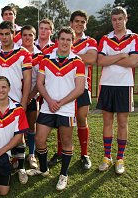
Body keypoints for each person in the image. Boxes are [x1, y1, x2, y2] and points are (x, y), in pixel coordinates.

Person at [28, 27, 85, 191]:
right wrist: (50, 100)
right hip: (47, 106)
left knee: (67, 142)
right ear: (57, 40)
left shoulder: (77, 62)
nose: (65, 42)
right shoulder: (46, 59)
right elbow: (39, 83)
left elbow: (79, 89)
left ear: (72, 42)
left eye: (69, 39)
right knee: (39, 139)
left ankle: (63, 174)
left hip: (65, 109)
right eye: (63, 39)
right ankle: (44, 169)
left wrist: (60, 102)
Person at [48, 10, 97, 170]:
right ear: (71, 23)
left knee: (82, 118)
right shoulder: (63, 38)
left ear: (86, 24)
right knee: (62, 120)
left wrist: (70, 54)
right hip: (62, 88)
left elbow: (92, 59)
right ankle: (61, 152)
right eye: (77, 21)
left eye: (83, 22)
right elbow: (56, 56)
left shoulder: (89, 41)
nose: (79, 24)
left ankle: (84, 154)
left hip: (82, 87)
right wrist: (77, 54)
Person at [97, 6, 138, 174]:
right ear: (111, 21)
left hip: (124, 86)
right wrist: (122, 55)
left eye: (120, 19)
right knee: (107, 122)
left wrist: (111, 59)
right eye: (114, 19)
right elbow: (100, 61)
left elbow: (133, 62)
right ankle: (106, 157)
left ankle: (120, 158)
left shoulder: (134, 38)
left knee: (123, 123)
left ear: (125, 19)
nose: (117, 22)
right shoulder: (105, 38)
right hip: (107, 84)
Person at [0, 21, 32, 184]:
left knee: (19, 135)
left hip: (16, 101)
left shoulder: (23, 53)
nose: (5, 37)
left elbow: (27, 79)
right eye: (2, 34)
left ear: (14, 35)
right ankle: (0, 162)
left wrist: (23, 101)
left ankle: (21, 167)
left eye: (8, 34)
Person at [21, 25, 44, 169]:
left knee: (31, 126)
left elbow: (40, 80)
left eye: (30, 35)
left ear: (34, 37)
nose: (27, 37)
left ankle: (31, 155)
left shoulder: (40, 55)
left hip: (32, 96)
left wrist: (31, 95)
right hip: (16, 96)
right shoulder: (15, 52)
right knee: (16, 127)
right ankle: (17, 155)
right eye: (25, 35)